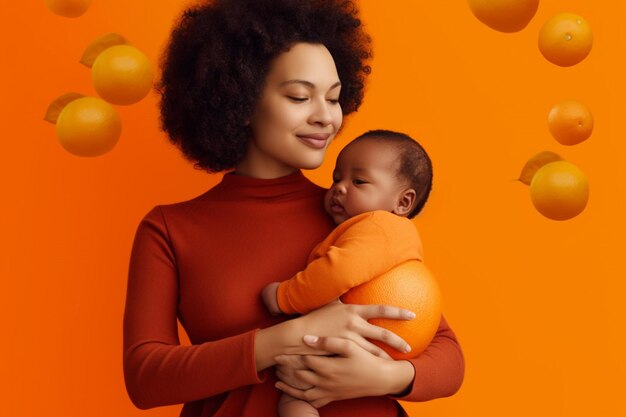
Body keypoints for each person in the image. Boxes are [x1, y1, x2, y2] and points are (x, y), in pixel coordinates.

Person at [123, 1, 464, 416]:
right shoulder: (170, 229)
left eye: (334, 98)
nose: (326, 118)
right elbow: (145, 377)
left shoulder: (354, 214)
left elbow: (447, 353)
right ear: (242, 99)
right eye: (300, 96)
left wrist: (388, 378)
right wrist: (290, 337)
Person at [261, 130, 438, 417]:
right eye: (336, 178)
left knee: (296, 395)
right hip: (355, 350)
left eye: (358, 181)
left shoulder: (381, 226)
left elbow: (338, 272)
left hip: (357, 347)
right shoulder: (379, 231)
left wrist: (284, 296)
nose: (340, 188)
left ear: (403, 203)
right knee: (295, 397)